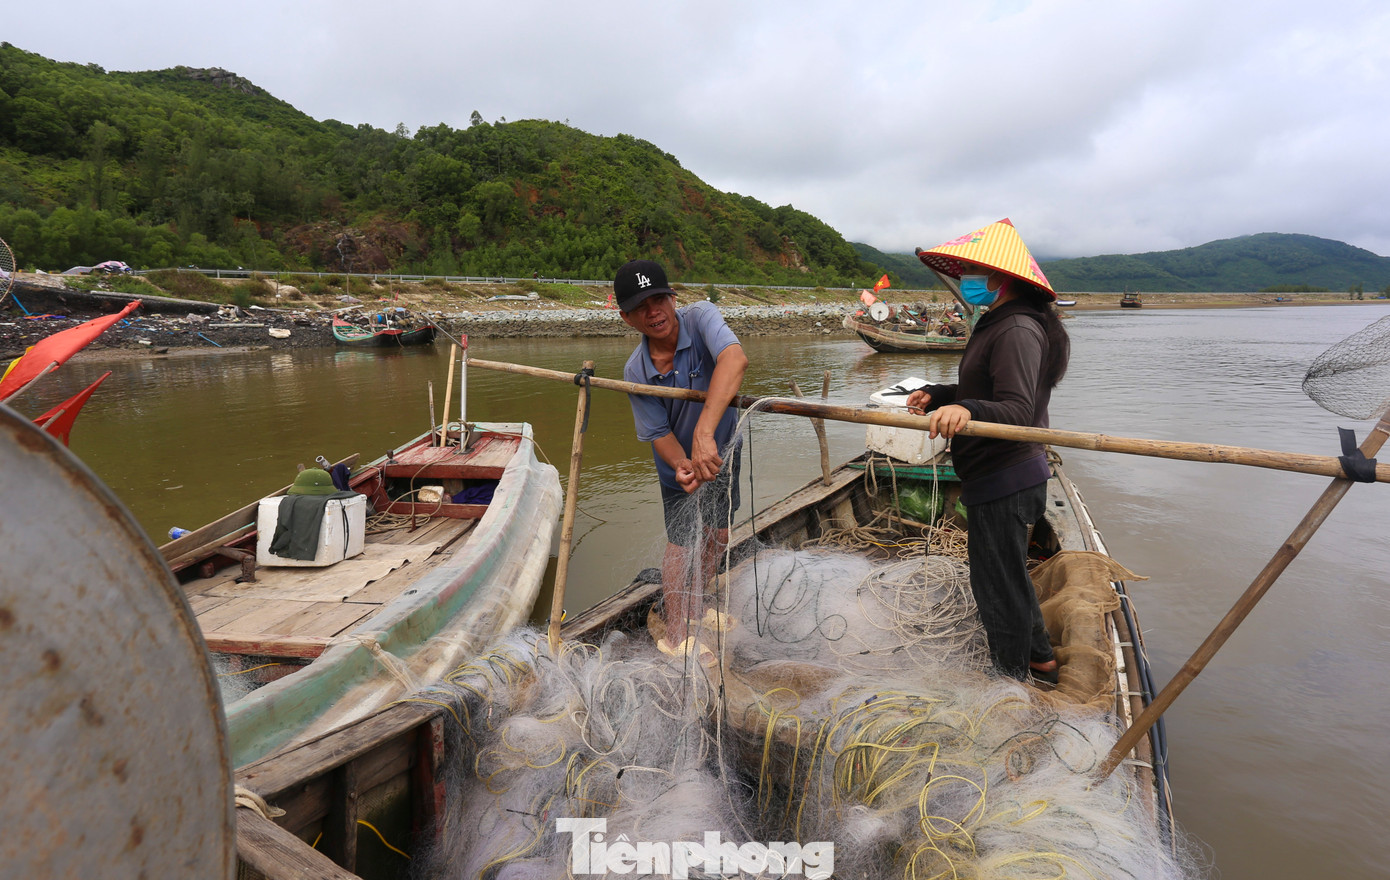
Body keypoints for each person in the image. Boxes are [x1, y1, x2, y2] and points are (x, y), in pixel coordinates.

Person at [906, 269, 1070, 684]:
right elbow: (985, 386)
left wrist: (969, 410)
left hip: (1007, 476)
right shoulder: (1000, 321)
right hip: (993, 474)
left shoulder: (1016, 328)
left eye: (978, 274)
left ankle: (1011, 680)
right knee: (1007, 577)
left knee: (997, 586)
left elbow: (1017, 409)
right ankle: (1041, 661)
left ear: (1005, 280)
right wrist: (943, 394)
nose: (969, 280)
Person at [615, 259, 749, 649]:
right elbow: (658, 432)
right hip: (679, 464)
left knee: (719, 533)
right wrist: (682, 464)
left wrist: (705, 434)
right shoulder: (636, 371)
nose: (653, 311)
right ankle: (676, 634)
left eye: (659, 298)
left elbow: (734, 359)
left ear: (673, 298)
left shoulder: (701, 316)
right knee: (681, 543)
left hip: (722, 449)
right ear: (627, 318)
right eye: (641, 306)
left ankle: (696, 604)